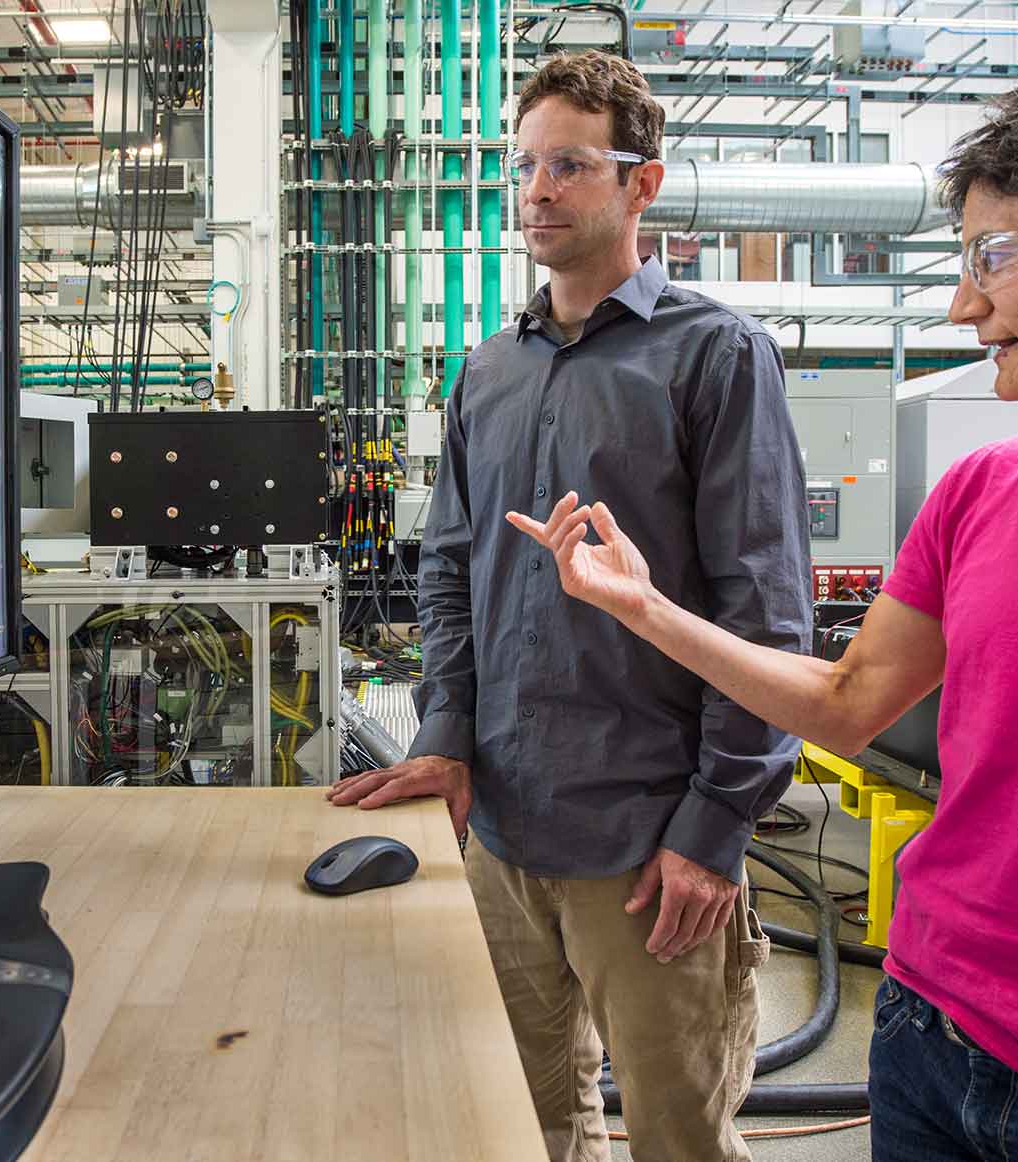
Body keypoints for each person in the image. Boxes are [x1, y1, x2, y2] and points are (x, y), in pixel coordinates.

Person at [507, 47, 1018, 1162]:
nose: (962, 304)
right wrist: (646, 608)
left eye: (994, 257)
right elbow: (850, 700)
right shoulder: (982, 491)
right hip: (928, 1036)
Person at [327, 50, 812, 1162]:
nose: (537, 191)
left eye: (569, 166)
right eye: (524, 167)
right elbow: (447, 568)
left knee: (678, 1137)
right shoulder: (487, 371)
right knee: (524, 1125)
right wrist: (445, 738)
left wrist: (715, 826)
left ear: (641, 185)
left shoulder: (716, 356)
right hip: (502, 832)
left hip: (648, 849)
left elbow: (765, 613)